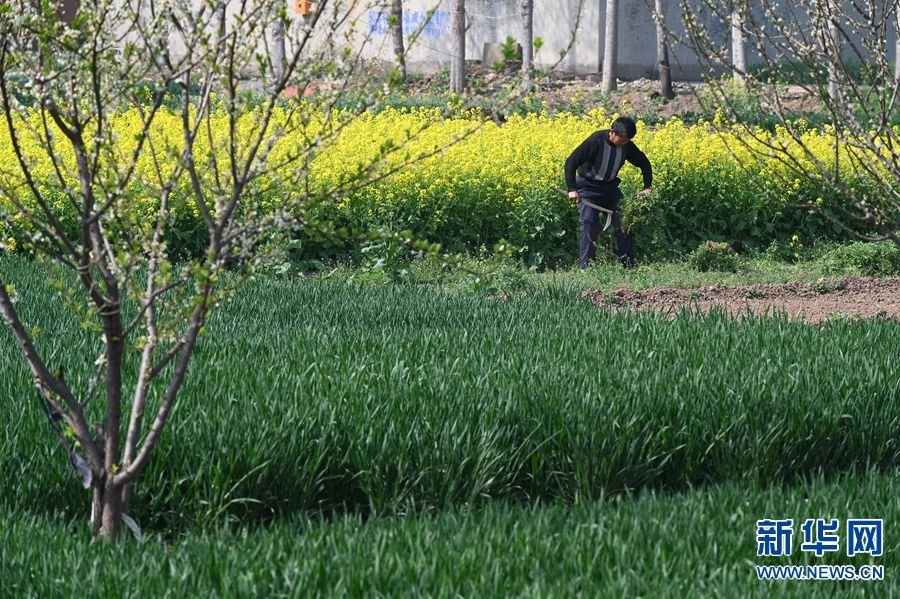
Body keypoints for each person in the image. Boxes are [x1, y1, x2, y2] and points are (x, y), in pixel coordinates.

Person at [564, 116, 652, 268]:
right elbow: (571, 162)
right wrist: (572, 189)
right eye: (622, 140)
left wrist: (647, 187)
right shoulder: (596, 141)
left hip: (610, 189)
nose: (624, 143)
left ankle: (629, 265)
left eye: (627, 141)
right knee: (590, 223)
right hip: (588, 188)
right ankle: (586, 267)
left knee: (625, 222)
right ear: (612, 132)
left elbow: (644, 163)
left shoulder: (627, 146)